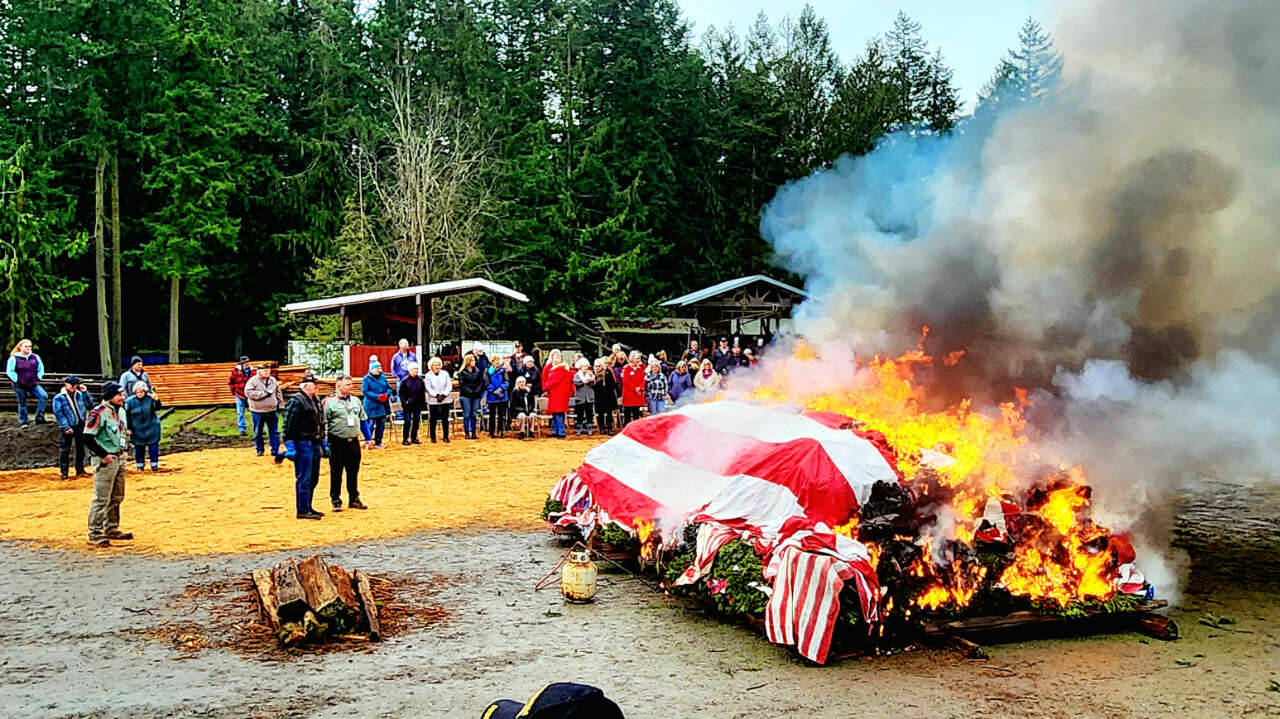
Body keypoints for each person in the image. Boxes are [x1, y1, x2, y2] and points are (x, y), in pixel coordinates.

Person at [84, 381, 130, 547]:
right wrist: (104, 455)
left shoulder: (122, 411)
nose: (123, 397)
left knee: (117, 496)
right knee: (101, 497)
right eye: (119, 394)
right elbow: (88, 437)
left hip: (119, 457)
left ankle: (111, 527)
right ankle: (95, 532)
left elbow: (122, 431)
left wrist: (124, 449)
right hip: (106, 461)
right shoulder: (99, 413)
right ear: (110, 396)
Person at [281, 373, 326, 519]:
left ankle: (308, 506)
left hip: (314, 441)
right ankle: (302, 509)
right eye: (314, 384)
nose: (316, 386)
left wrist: (323, 442)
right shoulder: (296, 401)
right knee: (304, 477)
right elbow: (288, 425)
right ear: (305, 386)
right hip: (302, 442)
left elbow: (321, 423)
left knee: (313, 477)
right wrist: (290, 446)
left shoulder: (316, 401)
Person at [324, 375, 368, 512]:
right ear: (338, 387)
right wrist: (324, 443)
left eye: (351, 384)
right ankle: (335, 499)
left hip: (353, 441)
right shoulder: (329, 403)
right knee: (336, 472)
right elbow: (323, 423)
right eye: (347, 384)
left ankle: (354, 498)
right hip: (337, 441)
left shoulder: (355, 400)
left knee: (353, 471)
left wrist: (368, 437)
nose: (351, 386)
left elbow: (363, 419)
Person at [52, 376, 92, 479]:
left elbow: (90, 405)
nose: (75, 387)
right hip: (69, 425)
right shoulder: (59, 397)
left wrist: (85, 393)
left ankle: (80, 469)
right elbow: (59, 413)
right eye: (73, 385)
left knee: (81, 448)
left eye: (76, 385)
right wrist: (65, 426)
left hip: (80, 424)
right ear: (66, 384)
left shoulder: (79, 394)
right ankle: (64, 472)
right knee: (65, 449)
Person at [245, 364, 284, 458]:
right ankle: (259, 449)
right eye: (265, 371)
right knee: (258, 431)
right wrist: (264, 394)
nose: (267, 373)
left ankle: (275, 449)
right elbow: (248, 393)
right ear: (259, 371)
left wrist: (281, 405)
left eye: (268, 371)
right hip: (257, 411)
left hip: (272, 410)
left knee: (274, 431)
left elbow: (278, 393)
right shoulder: (252, 381)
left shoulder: (273, 380)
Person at [7, 339, 47, 426]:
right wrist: (17, 379)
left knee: (43, 396)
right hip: (19, 385)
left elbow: (41, 368)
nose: (28, 348)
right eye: (26, 346)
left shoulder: (35, 357)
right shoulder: (14, 358)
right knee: (22, 402)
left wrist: (38, 377)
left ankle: (39, 418)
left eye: (30, 346)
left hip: (33, 383)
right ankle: (24, 421)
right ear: (20, 347)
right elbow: (10, 371)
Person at [125, 382, 163, 471]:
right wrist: (128, 428)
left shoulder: (150, 399)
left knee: (153, 446)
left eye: (141, 392)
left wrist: (157, 400)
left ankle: (154, 465)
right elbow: (127, 416)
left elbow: (158, 408)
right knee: (138, 447)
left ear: (145, 391)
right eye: (137, 392)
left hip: (152, 427)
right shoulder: (129, 401)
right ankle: (140, 465)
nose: (139, 394)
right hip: (137, 428)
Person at [361, 357, 392, 449]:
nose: (380, 370)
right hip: (371, 405)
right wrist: (377, 396)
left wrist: (387, 394)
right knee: (370, 425)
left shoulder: (383, 377)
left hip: (382, 405)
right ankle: (368, 441)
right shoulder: (366, 379)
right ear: (372, 369)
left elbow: (389, 388)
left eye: (380, 368)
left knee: (381, 424)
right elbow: (365, 391)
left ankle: (379, 441)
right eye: (378, 368)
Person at [541, 349, 573, 438]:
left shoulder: (559, 369)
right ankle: (556, 431)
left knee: (558, 413)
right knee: (556, 413)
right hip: (558, 394)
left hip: (558, 394)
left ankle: (561, 432)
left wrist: (546, 387)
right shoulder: (563, 368)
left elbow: (553, 381)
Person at [457, 353, 485, 440]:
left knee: (474, 413)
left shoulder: (477, 371)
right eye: (472, 360)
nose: (474, 362)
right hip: (465, 395)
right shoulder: (462, 372)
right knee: (467, 414)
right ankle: (467, 432)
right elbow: (462, 384)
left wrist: (476, 391)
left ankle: (473, 432)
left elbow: (481, 382)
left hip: (476, 395)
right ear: (468, 361)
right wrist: (470, 391)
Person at [424, 356, 452, 443]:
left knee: (445, 419)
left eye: (439, 365)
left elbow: (449, 385)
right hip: (433, 401)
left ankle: (446, 436)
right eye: (435, 365)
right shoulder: (428, 375)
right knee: (433, 419)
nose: (437, 367)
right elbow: (428, 388)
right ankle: (433, 437)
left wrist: (444, 394)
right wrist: (436, 395)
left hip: (445, 399)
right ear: (431, 366)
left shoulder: (445, 374)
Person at [398, 362, 426, 445]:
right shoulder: (404, 381)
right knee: (407, 421)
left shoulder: (420, 380)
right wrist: (404, 403)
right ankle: (405, 439)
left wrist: (422, 404)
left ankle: (414, 437)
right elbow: (401, 394)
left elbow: (422, 393)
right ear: (409, 370)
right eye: (414, 369)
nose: (416, 371)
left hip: (417, 405)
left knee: (416, 421)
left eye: (417, 369)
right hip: (408, 405)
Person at [228, 355, 253, 436]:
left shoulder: (253, 371)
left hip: (250, 395)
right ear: (241, 364)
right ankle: (242, 429)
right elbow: (231, 382)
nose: (246, 364)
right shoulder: (235, 371)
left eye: (247, 362)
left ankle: (258, 428)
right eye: (245, 363)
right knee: (240, 412)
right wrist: (234, 392)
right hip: (239, 394)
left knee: (255, 412)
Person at [619, 350, 646, 426]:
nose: (639, 360)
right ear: (632, 358)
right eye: (637, 358)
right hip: (629, 395)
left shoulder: (640, 369)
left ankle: (636, 429)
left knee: (636, 413)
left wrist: (640, 387)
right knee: (627, 414)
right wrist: (635, 389)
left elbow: (643, 379)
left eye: (639, 358)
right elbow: (625, 381)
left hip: (637, 395)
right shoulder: (626, 368)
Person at [592, 357, 617, 435]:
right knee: (600, 413)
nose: (597, 368)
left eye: (599, 366)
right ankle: (601, 428)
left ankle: (610, 428)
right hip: (598, 396)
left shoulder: (608, 372)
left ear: (602, 366)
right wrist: (597, 381)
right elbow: (592, 386)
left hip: (608, 395)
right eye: (596, 366)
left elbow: (613, 383)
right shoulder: (593, 373)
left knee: (609, 413)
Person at [486, 358, 510, 438]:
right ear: (492, 362)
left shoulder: (503, 371)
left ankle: (500, 431)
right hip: (491, 396)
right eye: (496, 361)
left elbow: (506, 381)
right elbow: (486, 382)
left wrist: (500, 389)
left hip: (502, 396)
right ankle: (491, 432)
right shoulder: (487, 371)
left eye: (499, 361)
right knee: (492, 415)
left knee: (501, 415)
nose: (498, 363)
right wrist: (493, 391)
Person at [572, 358, 595, 436]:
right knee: (580, 414)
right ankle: (579, 429)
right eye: (583, 366)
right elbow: (576, 383)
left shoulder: (591, 374)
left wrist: (591, 379)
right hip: (580, 398)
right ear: (580, 367)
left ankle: (589, 428)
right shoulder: (577, 375)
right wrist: (583, 381)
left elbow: (594, 384)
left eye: (586, 366)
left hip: (589, 397)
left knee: (589, 414)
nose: (585, 368)